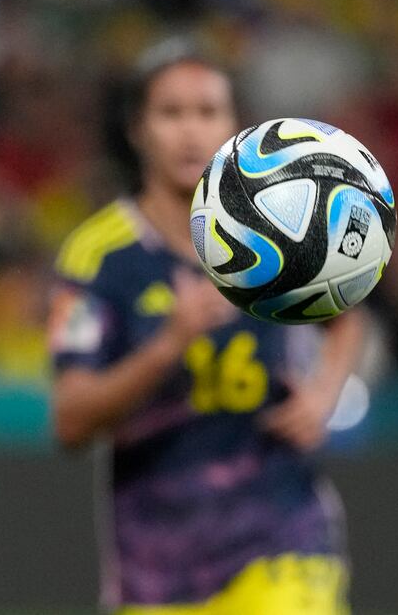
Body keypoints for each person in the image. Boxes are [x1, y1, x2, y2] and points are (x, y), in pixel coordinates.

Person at [48, 41, 361, 614]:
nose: (191, 132)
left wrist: (321, 396)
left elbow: (346, 311)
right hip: (159, 565)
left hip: (282, 532)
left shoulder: (279, 231)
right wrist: (169, 343)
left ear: (235, 125)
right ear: (138, 128)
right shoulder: (97, 258)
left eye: (208, 111)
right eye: (171, 113)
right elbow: (71, 422)